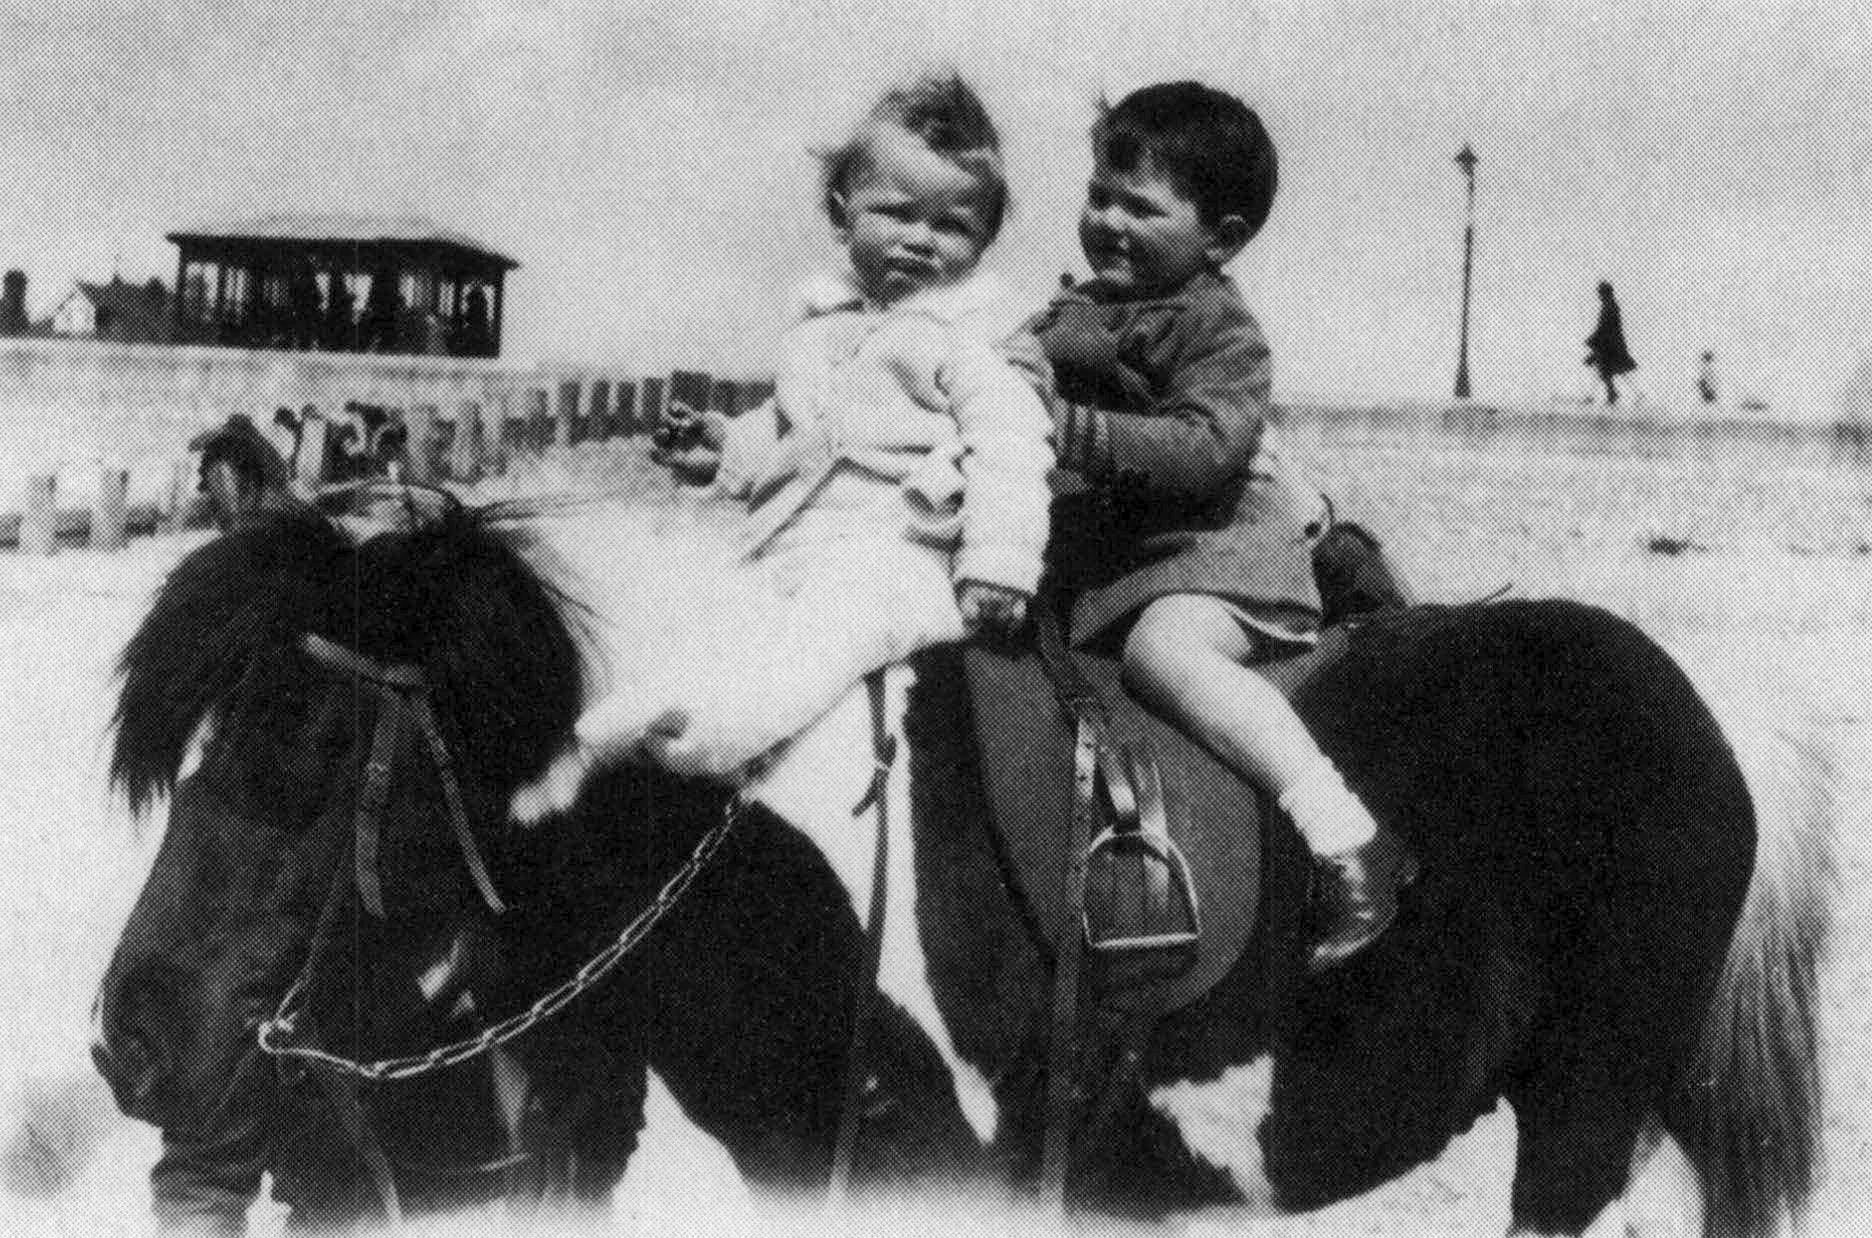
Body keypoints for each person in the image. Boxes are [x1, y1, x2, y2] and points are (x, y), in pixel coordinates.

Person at [512, 72, 1051, 818]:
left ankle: (706, 740)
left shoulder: (972, 341)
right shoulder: (821, 334)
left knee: (823, 642)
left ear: (984, 240)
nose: (922, 240)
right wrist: (724, 450)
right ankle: (614, 737)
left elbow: (1013, 443)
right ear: (843, 214)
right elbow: (793, 431)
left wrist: (1000, 563)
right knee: (717, 619)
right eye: (897, 214)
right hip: (792, 547)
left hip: (898, 556)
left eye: (953, 226)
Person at [1027, 82, 1412, 973]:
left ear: (1221, 238)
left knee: (1166, 657)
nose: (1108, 221)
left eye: (1141, 207)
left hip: (1221, 558)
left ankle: (1346, 836)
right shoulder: (1074, 312)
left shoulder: (1222, 328)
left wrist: (1070, 429)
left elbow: (1205, 449)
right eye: (1098, 196)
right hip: (1128, 559)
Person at [1585, 280, 1637, 405]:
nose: (1598, 295)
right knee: (1606, 368)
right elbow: (1604, 327)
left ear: (1605, 293)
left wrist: (1593, 339)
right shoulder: (1610, 305)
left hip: (1610, 343)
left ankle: (1612, 393)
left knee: (1605, 368)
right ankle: (1612, 393)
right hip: (1610, 342)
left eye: (1600, 293)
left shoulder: (1609, 306)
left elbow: (1605, 326)